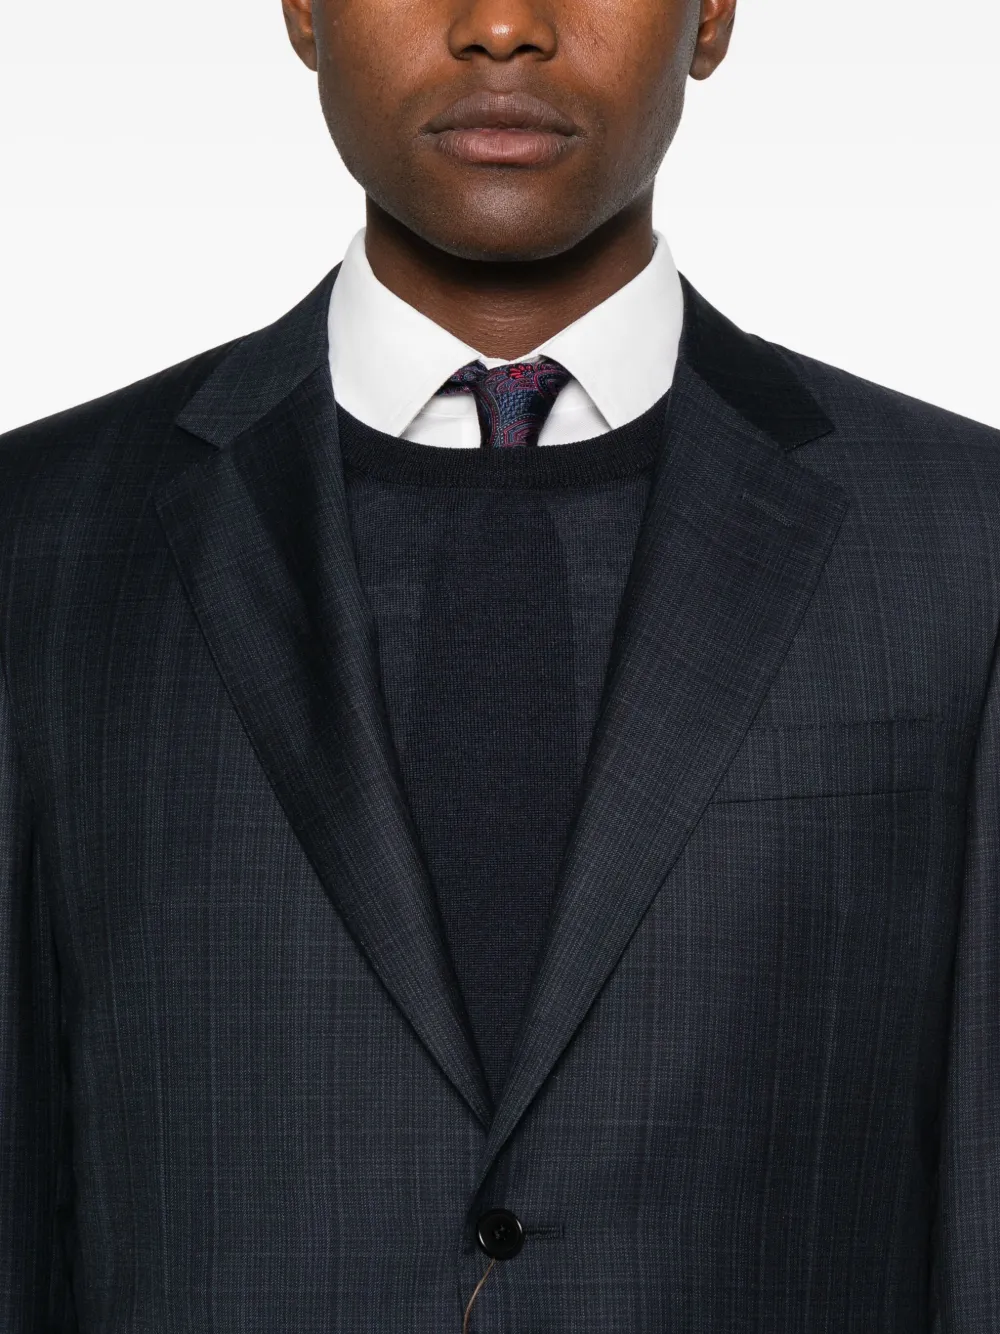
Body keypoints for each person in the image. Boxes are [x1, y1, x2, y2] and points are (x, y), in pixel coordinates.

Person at [1, 0, 998, 1327]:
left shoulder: (963, 542)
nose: (504, 25)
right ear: (302, 10)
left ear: (711, 16)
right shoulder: (40, 541)